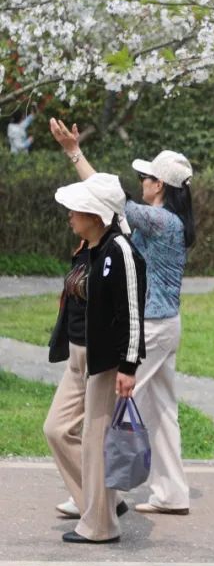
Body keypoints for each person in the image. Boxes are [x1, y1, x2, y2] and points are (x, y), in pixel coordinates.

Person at [49, 118, 196, 517]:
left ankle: (98, 495)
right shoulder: (168, 221)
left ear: (159, 185)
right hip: (165, 325)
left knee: (104, 412)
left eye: (145, 177)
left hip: (150, 327)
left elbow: (105, 198)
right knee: (161, 412)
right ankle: (171, 493)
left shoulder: (160, 220)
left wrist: (75, 153)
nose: (141, 182)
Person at [44, 173, 147, 543]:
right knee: (56, 429)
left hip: (104, 361)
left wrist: (128, 366)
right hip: (78, 356)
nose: (70, 215)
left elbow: (132, 313)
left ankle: (100, 526)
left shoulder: (120, 251)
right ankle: (103, 501)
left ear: (95, 214)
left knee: (94, 439)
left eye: (76, 209)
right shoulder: (87, 248)